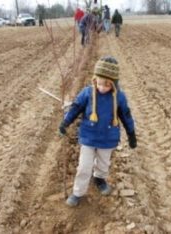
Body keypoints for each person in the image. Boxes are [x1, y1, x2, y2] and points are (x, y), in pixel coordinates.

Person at [59, 56, 137, 207]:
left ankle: (99, 179)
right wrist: (65, 122)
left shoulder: (119, 97)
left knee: (103, 163)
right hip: (88, 137)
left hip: (107, 139)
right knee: (83, 166)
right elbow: (75, 108)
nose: (102, 88)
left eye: (106, 85)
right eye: (99, 83)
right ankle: (78, 192)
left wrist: (131, 134)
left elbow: (126, 115)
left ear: (114, 84)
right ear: (95, 79)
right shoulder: (87, 93)